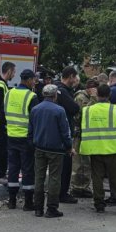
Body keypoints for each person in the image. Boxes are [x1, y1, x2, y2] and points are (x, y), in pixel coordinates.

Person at [79, 84, 116, 214]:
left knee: (97, 178)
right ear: (110, 95)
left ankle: (99, 204)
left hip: (94, 149)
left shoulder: (87, 110)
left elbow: (81, 124)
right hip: (112, 149)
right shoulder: (115, 110)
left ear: (97, 95)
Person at [28, 84, 73, 218]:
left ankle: (38, 208)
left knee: (39, 177)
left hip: (39, 148)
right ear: (55, 95)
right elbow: (65, 132)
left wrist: (33, 144)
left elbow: (30, 130)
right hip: (56, 150)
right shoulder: (59, 110)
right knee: (54, 178)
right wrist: (69, 146)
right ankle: (51, 208)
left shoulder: (35, 109)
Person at [5, 69, 39, 210]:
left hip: (11, 136)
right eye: (34, 80)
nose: (34, 83)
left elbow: (3, 113)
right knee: (27, 170)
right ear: (29, 80)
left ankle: (12, 201)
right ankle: (28, 202)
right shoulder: (31, 96)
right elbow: (35, 119)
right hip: (26, 138)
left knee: (12, 169)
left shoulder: (9, 93)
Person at [53, 66, 81, 204]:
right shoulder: (63, 91)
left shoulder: (57, 89)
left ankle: (58, 192)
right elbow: (75, 108)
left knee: (58, 166)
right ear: (70, 77)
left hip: (56, 133)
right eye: (75, 77)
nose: (76, 80)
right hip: (63, 134)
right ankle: (62, 194)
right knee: (65, 165)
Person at [70, 78, 99, 198]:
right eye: (95, 89)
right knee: (79, 163)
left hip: (88, 134)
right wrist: (93, 98)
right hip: (80, 134)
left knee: (86, 162)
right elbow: (85, 114)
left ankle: (85, 187)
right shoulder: (81, 98)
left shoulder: (91, 97)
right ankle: (77, 187)